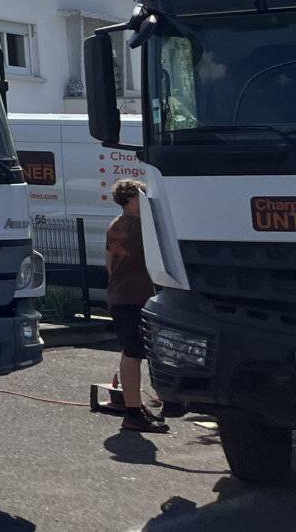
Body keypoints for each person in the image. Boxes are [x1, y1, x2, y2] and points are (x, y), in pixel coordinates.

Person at [106, 177, 166, 433]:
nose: (146, 199)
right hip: (133, 297)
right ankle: (132, 412)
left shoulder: (115, 225)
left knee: (131, 351)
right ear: (130, 198)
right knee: (134, 354)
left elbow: (109, 263)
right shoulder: (141, 226)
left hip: (120, 296)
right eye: (141, 194)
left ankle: (135, 404)